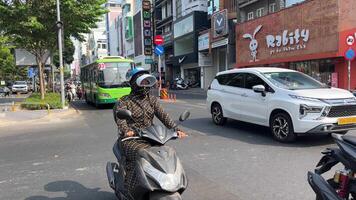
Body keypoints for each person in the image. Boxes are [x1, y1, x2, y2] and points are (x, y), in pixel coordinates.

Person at [114, 67, 187, 195]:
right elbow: (120, 120)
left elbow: (164, 116)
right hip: (131, 138)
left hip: (150, 136)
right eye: (142, 82)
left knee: (165, 153)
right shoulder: (124, 101)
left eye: (147, 82)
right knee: (140, 153)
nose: (145, 85)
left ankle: (163, 181)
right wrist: (126, 130)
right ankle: (128, 188)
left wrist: (176, 129)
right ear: (133, 83)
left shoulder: (151, 100)